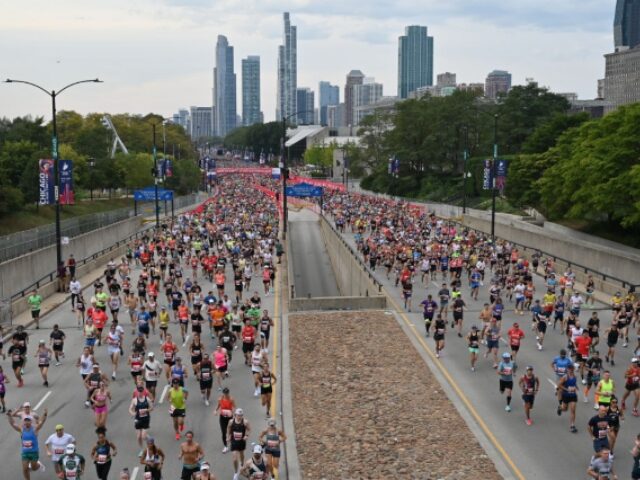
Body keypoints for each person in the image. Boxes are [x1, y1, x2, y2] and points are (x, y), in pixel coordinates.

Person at [7, 408, 48, 480]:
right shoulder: (21, 430)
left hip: (34, 452)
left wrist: (45, 414)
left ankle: (39, 465)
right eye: (25, 420)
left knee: (34, 468)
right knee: (25, 469)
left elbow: (41, 422)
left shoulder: (35, 430)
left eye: (28, 420)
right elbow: (13, 423)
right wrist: (9, 416)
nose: (26, 422)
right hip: (25, 453)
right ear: (24, 422)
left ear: (31, 422)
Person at [228, 408, 251, 479]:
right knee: (234, 458)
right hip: (234, 441)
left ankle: (241, 464)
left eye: (241, 415)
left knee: (241, 454)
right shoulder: (231, 421)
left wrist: (246, 435)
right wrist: (228, 436)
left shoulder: (245, 422)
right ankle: (235, 472)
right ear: (235, 415)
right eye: (238, 415)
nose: (239, 417)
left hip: (241, 441)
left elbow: (249, 429)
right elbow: (228, 428)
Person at [557, 364, 579, 433]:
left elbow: (574, 383)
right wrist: (566, 389)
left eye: (572, 369)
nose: (571, 370)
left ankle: (572, 426)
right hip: (566, 395)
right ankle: (560, 408)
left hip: (573, 396)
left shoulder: (575, 376)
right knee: (565, 409)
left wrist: (576, 387)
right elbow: (559, 385)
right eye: (569, 369)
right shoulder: (565, 377)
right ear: (567, 369)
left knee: (573, 410)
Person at [215, 387, 236, 454]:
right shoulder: (220, 399)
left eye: (227, 393)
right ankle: (225, 446)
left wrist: (235, 414)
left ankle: (232, 442)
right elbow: (218, 406)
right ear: (223, 393)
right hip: (222, 417)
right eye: (225, 393)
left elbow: (234, 407)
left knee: (230, 431)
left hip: (230, 417)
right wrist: (215, 410)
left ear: (228, 393)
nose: (226, 394)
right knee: (223, 432)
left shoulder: (231, 399)